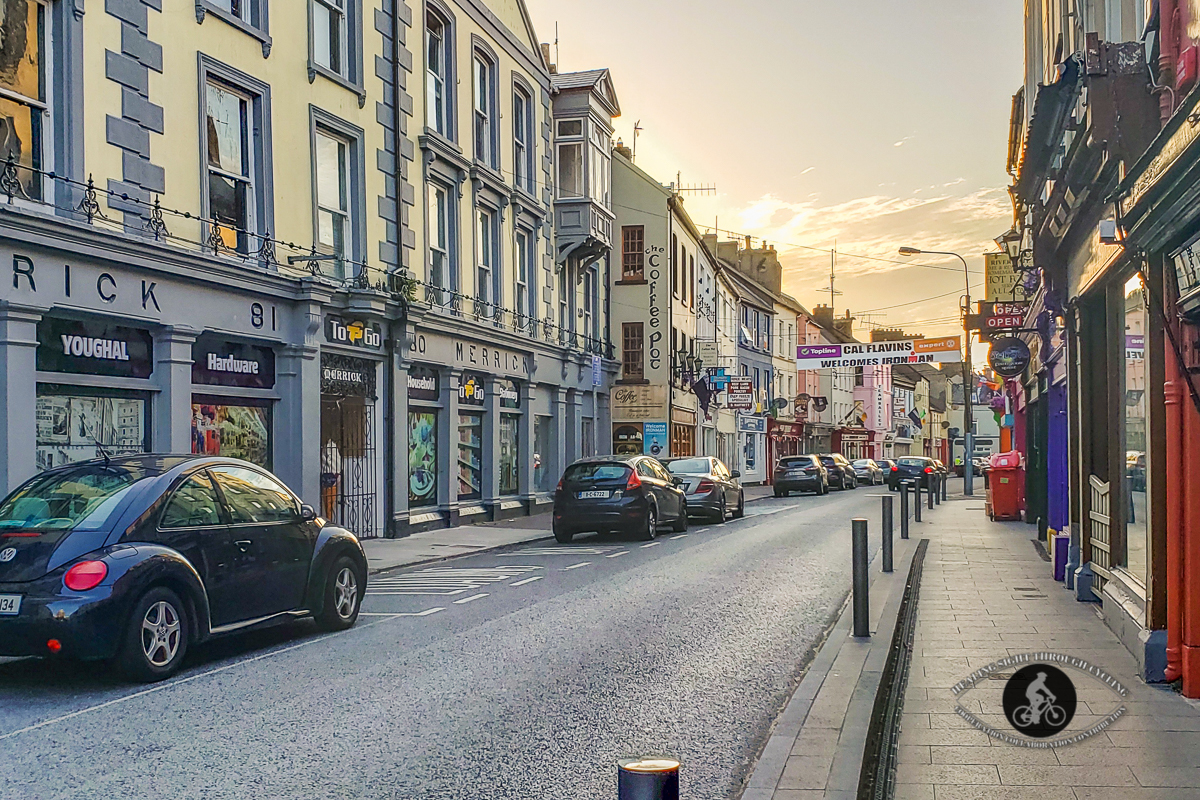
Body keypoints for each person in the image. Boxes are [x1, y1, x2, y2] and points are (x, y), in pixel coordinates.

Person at [321, 438, 342, 521]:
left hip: (329, 475)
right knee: (329, 503)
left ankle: (328, 518)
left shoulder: (328, 449)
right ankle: (329, 518)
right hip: (332, 475)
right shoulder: (332, 450)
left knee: (329, 503)